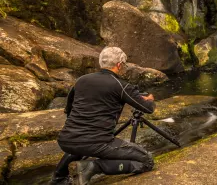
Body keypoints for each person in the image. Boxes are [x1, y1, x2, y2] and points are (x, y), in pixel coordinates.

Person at [49, 47, 156, 185]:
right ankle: (93, 167)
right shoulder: (121, 85)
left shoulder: (81, 80)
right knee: (147, 161)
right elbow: (147, 108)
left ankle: (58, 178)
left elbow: (69, 110)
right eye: (124, 65)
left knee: (83, 142)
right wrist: (150, 100)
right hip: (98, 142)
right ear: (119, 65)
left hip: (66, 140)